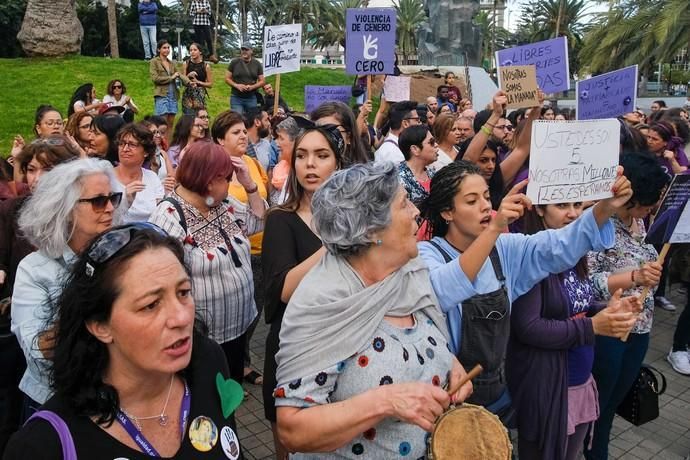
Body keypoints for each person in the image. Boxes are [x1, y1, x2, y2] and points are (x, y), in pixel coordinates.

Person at [274, 162, 473, 458]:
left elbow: (425, 335)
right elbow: (293, 430)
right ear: (370, 230)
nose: (416, 211)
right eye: (404, 204)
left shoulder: (407, 271)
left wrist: (450, 366)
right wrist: (385, 401)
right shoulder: (323, 302)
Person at [417, 160, 631, 423]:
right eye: (471, 201)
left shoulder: (506, 249)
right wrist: (495, 228)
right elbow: (443, 291)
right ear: (447, 212)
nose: (485, 206)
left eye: (486, 197)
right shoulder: (428, 254)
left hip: (496, 393)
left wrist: (605, 208)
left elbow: (558, 245)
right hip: (444, 397)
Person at [4, 224, 242, 458]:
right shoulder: (44, 445)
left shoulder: (207, 361)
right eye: (150, 305)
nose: (181, 317)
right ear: (100, 326)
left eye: (183, 292)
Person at [506, 202, 640, 460]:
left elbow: (577, 303)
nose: (573, 214)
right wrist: (592, 326)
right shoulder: (531, 256)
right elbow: (528, 327)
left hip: (580, 383)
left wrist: (607, 308)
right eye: (561, 205)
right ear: (540, 209)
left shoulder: (576, 254)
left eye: (578, 205)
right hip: (548, 388)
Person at [261, 122, 348, 458]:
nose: (310, 164)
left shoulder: (355, 219)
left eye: (321, 155)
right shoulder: (281, 220)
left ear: (338, 164)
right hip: (295, 352)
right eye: (302, 156)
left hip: (342, 347)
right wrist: (333, 245)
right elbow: (281, 289)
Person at [11, 159, 122, 420]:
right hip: (57, 402)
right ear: (67, 209)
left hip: (117, 397)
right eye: (97, 200)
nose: (109, 208)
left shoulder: (120, 255)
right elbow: (38, 351)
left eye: (113, 198)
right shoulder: (34, 269)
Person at [149, 140, 266, 384]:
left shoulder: (222, 205)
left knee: (230, 390)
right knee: (206, 398)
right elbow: (160, 281)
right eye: (228, 179)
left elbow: (259, 220)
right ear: (210, 181)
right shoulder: (169, 217)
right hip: (202, 339)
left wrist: (250, 186)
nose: (230, 184)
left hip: (237, 328)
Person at [584, 153, 669, 460]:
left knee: (612, 406)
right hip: (609, 330)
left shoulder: (641, 222)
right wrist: (634, 276)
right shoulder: (596, 224)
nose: (651, 208)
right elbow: (589, 283)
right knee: (598, 406)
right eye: (648, 201)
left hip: (641, 328)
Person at [0, 138, 79, 451]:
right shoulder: (12, 209)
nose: (37, 177)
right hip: (16, 320)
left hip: (61, 333)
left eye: (48, 169)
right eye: (31, 169)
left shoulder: (79, 213)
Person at [211, 110, 269, 385]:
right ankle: (228, 375)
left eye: (244, 130)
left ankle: (241, 365)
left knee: (251, 315)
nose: (244, 135)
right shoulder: (213, 170)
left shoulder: (252, 164)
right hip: (229, 259)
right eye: (236, 132)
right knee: (230, 322)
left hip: (258, 250)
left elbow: (262, 205)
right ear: (220, 140)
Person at [112, 123, 165, 223]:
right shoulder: (106, 178)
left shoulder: (152, 178)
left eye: (132, 145)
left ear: (146, 152)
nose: (125, 149)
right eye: (122, 143)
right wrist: (126, 202)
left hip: (149, 235)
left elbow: (159, 216)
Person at [150, 39, 190, 130]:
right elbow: (155, 79)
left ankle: (168, 144)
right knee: (161, 123)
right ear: (158, 49)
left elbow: (179, 74)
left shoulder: (171, 63)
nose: (167, 50)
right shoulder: (154, 62)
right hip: (162, 95)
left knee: (170, 124)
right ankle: (160, 143)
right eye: (164, 48)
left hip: (173, 95)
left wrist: (189, 82)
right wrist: (171, 78)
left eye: (168, 48)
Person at [225, 43, 265, 114]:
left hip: (251, 97)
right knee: (237, 119)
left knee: (252, 119)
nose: (244, 51)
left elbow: (262, 81)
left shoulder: (257, 64)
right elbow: (227, 78)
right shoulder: (234, 62)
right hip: (236, 97)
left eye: (246, 49)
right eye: (242, 49)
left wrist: (252, 87)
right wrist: (237, 85)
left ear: (251, 51)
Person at [269, 116, 299, 205]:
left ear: (296, 141)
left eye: (281, 138)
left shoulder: (302, 172)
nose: (277, 143)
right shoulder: (279, 168)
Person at [141, 120, 175, 193]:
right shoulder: (140, 157)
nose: (158, 136)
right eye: (154, 133)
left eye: (158, 132)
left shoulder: (163, 154)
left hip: (166, 193)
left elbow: (172, 178)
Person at [182, 43, 213, 115]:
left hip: (200, 94)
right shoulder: (186, 63)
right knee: (188, 117)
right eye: (190, 50)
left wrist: (197, 82)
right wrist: (188, 75)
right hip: (188, 93)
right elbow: (182, 81)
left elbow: (210, 84)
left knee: (200, 116)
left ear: (200, 52)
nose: (192, 52)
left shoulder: (206, 66)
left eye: (195, 50)